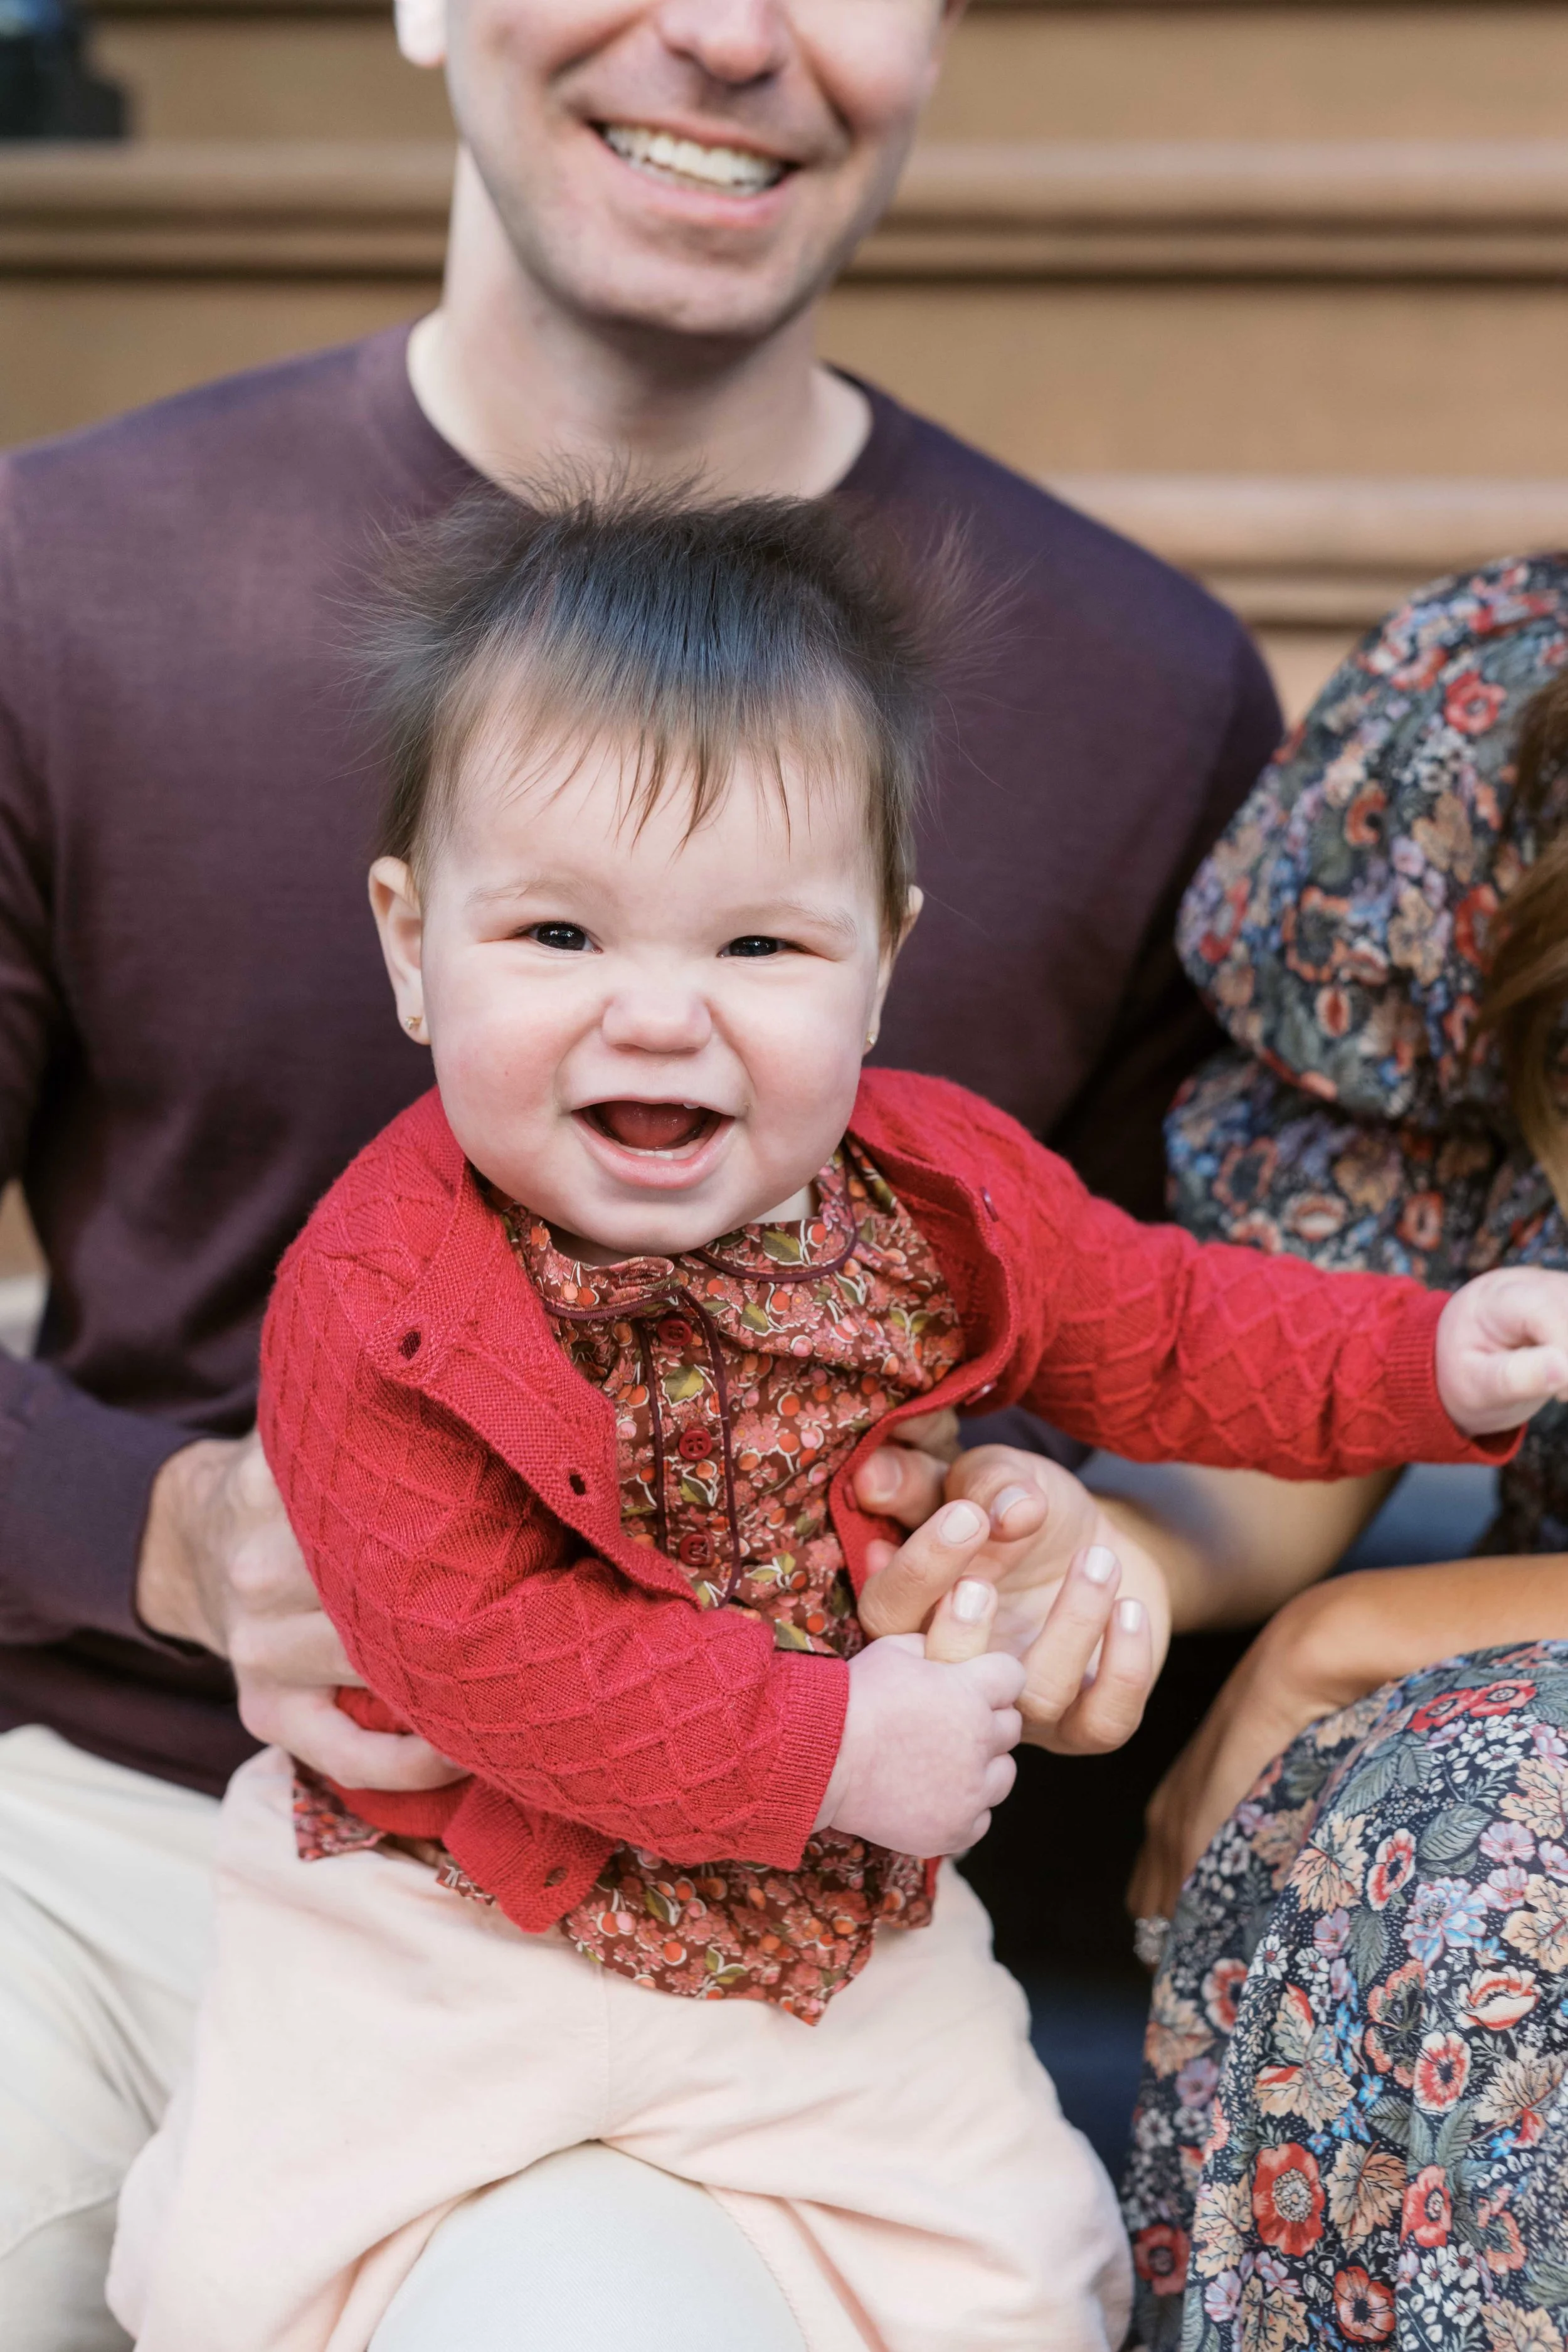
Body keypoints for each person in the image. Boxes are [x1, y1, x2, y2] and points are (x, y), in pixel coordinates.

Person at [0, 0, 1286, 2342]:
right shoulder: (56, 578)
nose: (718, 33)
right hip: (104, 1813)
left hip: (742, 1905)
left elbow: (1163, 1357)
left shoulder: (1135, 680)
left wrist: (1070, 1544)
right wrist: (169, 1533)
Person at [109, 489, 1568, 2352]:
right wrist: (824, 1737)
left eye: (758, 950)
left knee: (1026, 2281)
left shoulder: (936, 1190)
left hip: (831, 1938)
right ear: (411, 943)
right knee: (256, 2278)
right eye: (556, 932)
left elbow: (1176, 1325)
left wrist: (1422, 1359)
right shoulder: (384, 1287)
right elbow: (475, 1647)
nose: (656, 1017)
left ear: (879, 956)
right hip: (446, 1927)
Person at [1116, 554, 1568, 2352]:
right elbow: (1354, 1347)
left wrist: (1372, 1631)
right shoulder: (1506, 728)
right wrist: (1103, 1570)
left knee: (1479, 1822)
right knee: (1433, 1827)